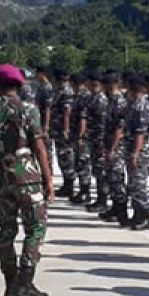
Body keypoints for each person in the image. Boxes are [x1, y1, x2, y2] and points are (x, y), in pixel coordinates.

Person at [0, 63, 54, 296]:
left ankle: (11, 284)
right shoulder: (29, 109)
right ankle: (25, 282)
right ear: (19, 85)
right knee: (35, 229)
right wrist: (48, 180)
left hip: (2, 181)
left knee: (6, 232)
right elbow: (40, 147)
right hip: (28, 180)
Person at [123, 73, 149, 230]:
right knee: (134, 185)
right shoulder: (133, 103)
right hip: (131, 148)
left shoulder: (142, 105)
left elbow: (140, 132)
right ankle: (137, 215)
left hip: (140, 151)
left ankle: (145, 217)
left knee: (140, 185)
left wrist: (135, 153)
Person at [99, 72, 130, 224]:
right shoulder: (111, 100)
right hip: (109, 143)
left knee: (117, 178)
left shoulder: (119, 102)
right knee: (110, 177)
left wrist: (112, 148)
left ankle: (122, 210)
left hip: (117, 145)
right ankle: (116, 208)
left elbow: (120, 127)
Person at [85, 73, 111, 214]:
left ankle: (103, 200)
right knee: (96, 169)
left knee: (101, 171)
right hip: (94, 139)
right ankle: (100, 198)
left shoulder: (100, 100)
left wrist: (101, 143)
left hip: (99, 139)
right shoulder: (93, 98)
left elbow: (102, 124)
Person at [52, 70, 77, 198]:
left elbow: (67, 110)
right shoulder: (60, 90)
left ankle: (69, 185)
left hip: (63, 130)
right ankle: (67, 184)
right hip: (58, 129)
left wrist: (65, 129)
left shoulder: (66, 91)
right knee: (62, 157)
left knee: (66, 157)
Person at [70, 73, 93, 204]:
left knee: (83, 163)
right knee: (79, 163)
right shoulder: (79, 96)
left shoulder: (85, 97)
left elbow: (83, 118)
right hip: (78, 135)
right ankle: (83, 190)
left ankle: (85, 192)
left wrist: (80, 136)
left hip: (83, 136)